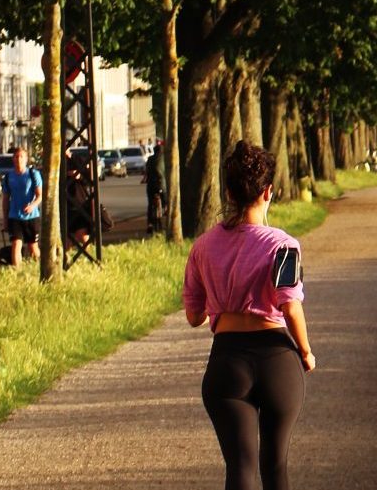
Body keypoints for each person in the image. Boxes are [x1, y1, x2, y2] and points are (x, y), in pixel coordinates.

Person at [183, 141, 315, 490]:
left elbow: (194, 315)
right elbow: (290, 305)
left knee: (240, 469)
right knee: (275, 467)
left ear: (227, 191)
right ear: (268, 192)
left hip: (226, 362)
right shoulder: (283, 246)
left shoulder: (203, 247)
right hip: (276, 361)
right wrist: (305, 351)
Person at [1, 146, 42, 266]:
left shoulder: (33, 174)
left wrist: (32, 206)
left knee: (32, 247)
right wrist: (5, 219)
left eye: (21, 156)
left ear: (26, 159)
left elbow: (40, 195)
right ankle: (16, 273)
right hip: (14, 216)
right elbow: (5, 199)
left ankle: (38, 269)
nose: (18, 159)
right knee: (16, 245)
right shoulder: (8, 177)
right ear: (13, 159)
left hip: (32, 217)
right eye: (16, 156)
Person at [143, 141, 166, 233]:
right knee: (165, 199)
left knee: (150, 204)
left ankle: (150, 224)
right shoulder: (164, 159)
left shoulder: (149, 159)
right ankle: (166, 208)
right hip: (161, 185)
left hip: (150, 185)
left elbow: (147, 171)